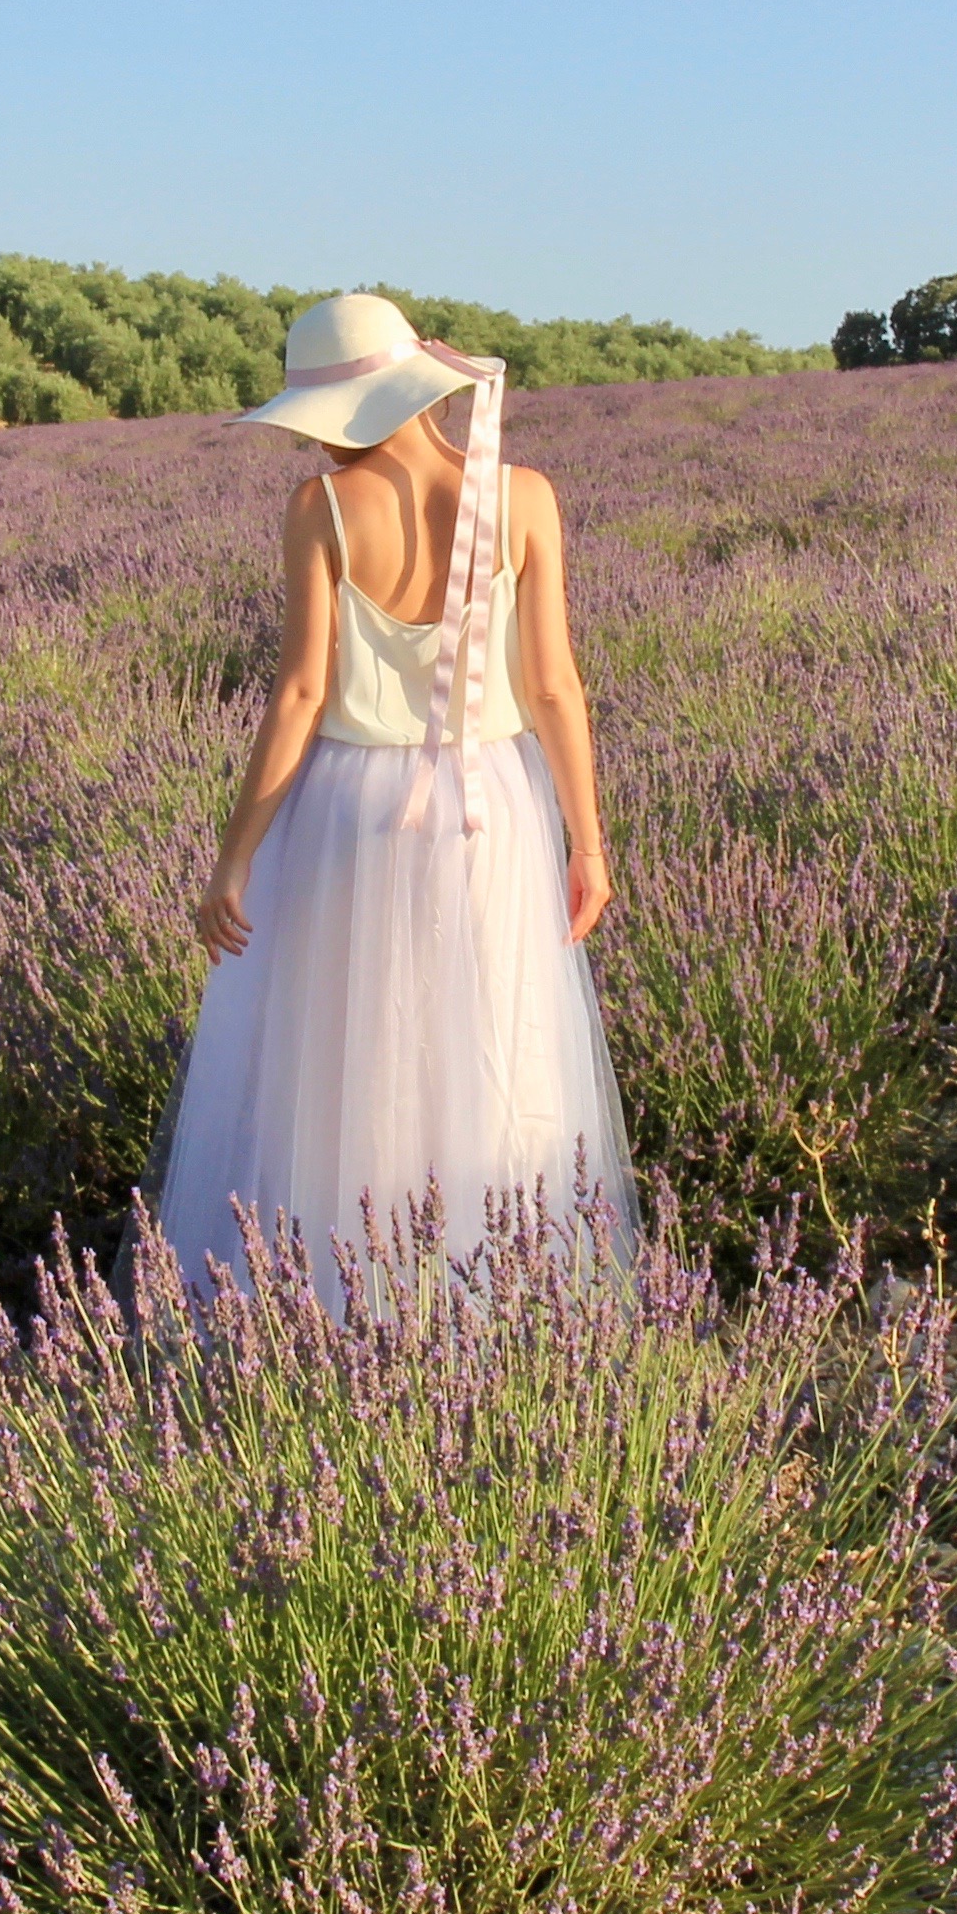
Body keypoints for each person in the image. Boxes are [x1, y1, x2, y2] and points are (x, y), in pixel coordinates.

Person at [157, 290, 631, 1284]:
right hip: (494, 804)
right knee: (492, 1044)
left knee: (354, 1058)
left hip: (348, 809)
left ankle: (344, 1292)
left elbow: (297, 695)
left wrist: (233, 859)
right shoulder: (526, 496)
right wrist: (587, 842)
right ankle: (499, 1291)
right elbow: (553, 686)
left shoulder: (322, 508)